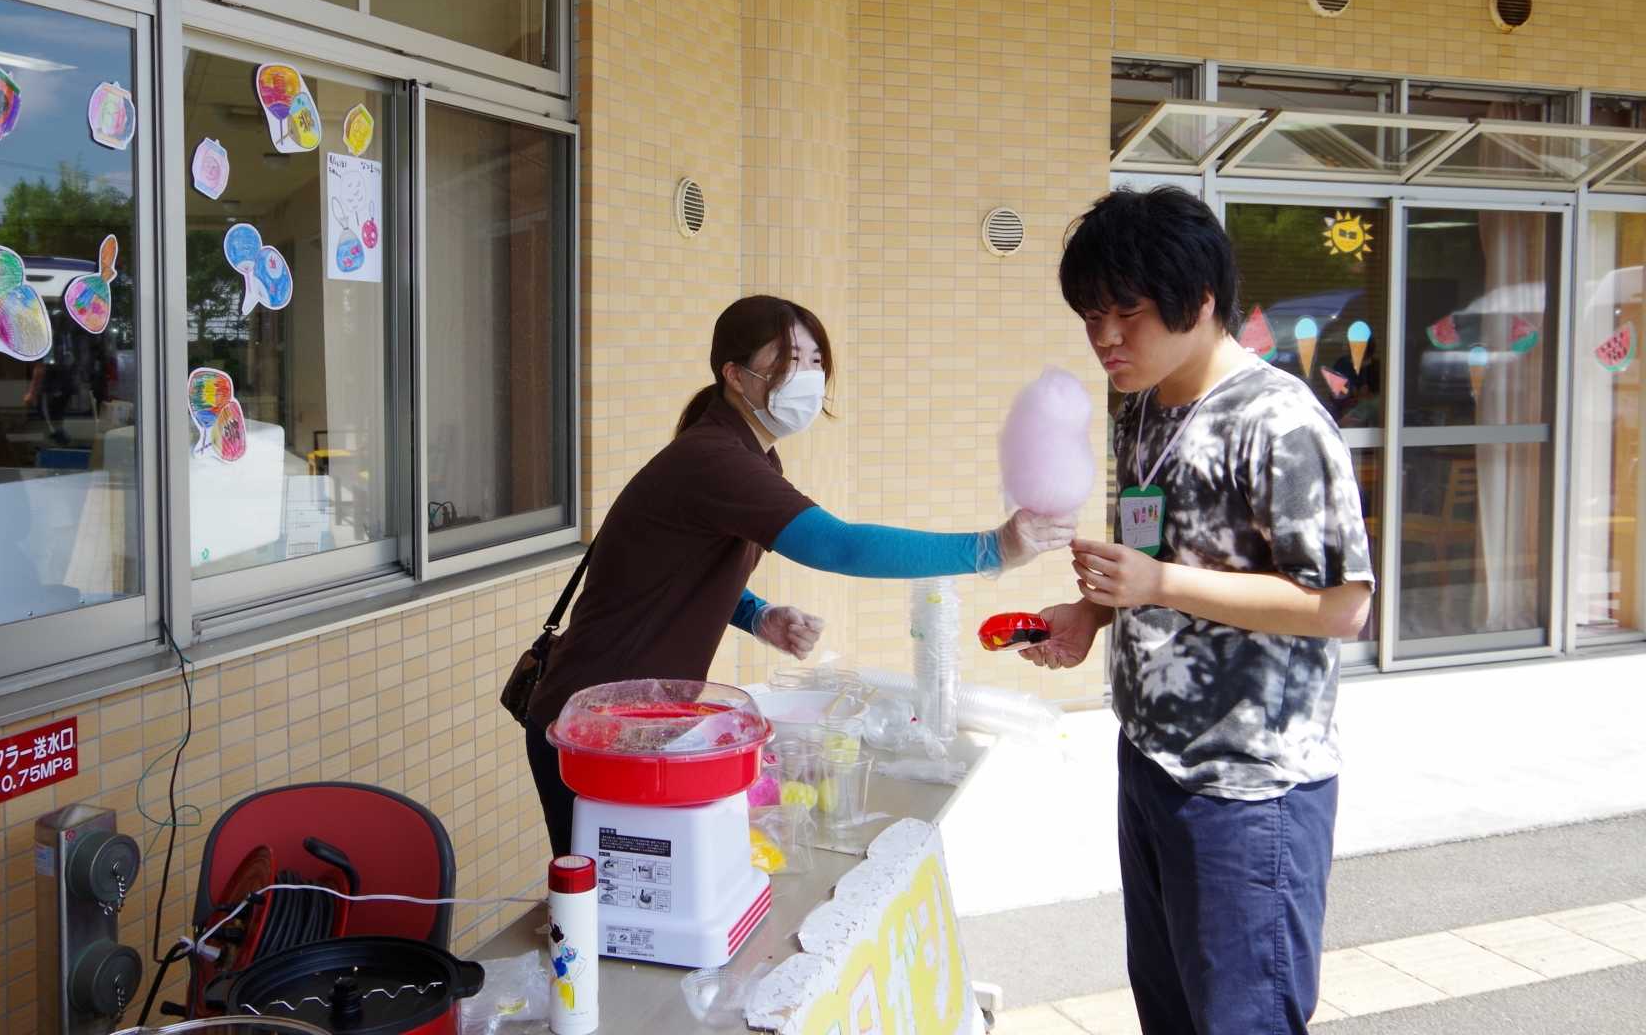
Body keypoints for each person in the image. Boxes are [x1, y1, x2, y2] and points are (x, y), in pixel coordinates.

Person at [525, 294, 1074, 853]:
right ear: (735, 375)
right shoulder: (713, 459)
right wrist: (990, 549)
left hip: (643, 720)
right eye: (789, 361)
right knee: (607, 904)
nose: (808, 377)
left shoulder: (747, 457)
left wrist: (757, 615)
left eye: (816, 362)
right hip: (596, 723)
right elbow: (839, 546)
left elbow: (675, 567)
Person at [1025, 188, 1374, 1035]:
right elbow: (1157, 548)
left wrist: (1157, 586)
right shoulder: (1143, 408)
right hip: (1150, 758)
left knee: (1241, 1018)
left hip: (1249, 788)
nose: (1105, 338)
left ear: (1201, 301)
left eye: (1127, 313)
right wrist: (1092, 613)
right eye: (1090, 316)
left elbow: (1340, 607)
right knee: (1171, 1011)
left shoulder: (1280, 421)